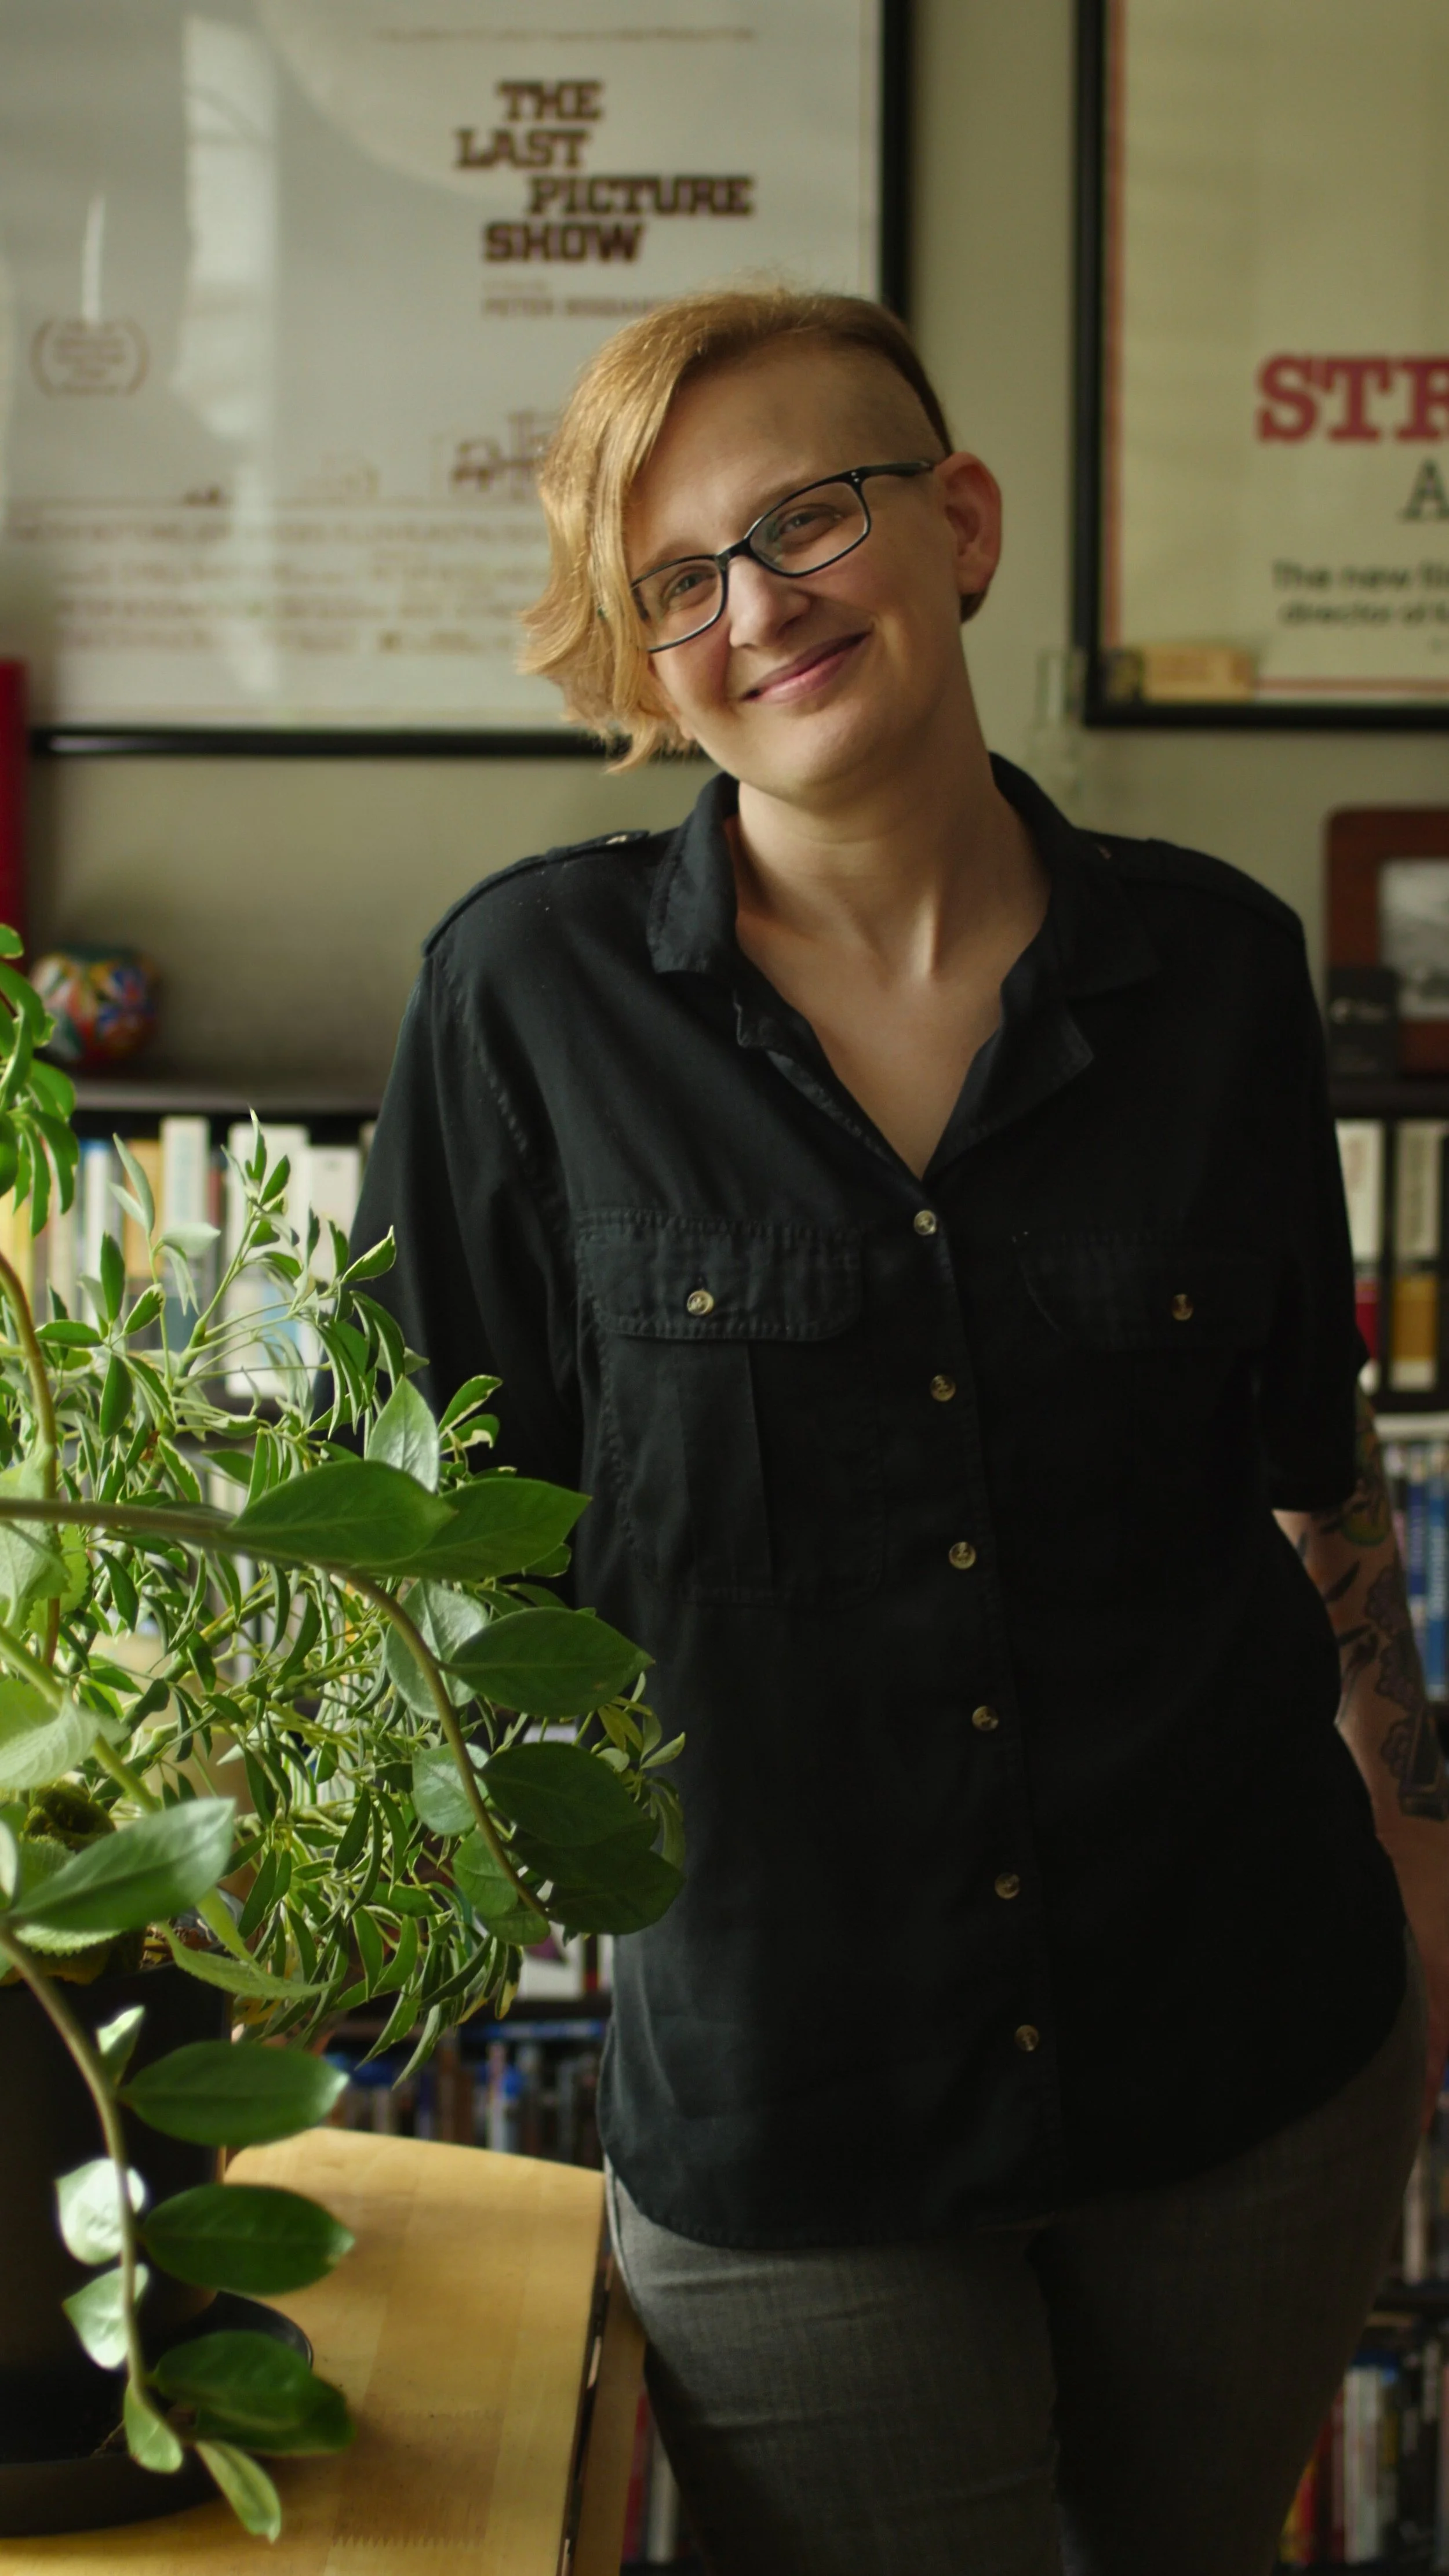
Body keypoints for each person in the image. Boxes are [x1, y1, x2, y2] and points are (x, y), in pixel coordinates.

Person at [354, 287, 1449, 2576]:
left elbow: (1302, 1448)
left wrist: (1414, 1821)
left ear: (956, 523)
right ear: (647, 653)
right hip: (791, 2108)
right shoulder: (520, 1002)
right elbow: (441, 1545)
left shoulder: (1219, 971)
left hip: (1247, 2053)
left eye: (806, 519)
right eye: (679, 579)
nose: (756, 607)